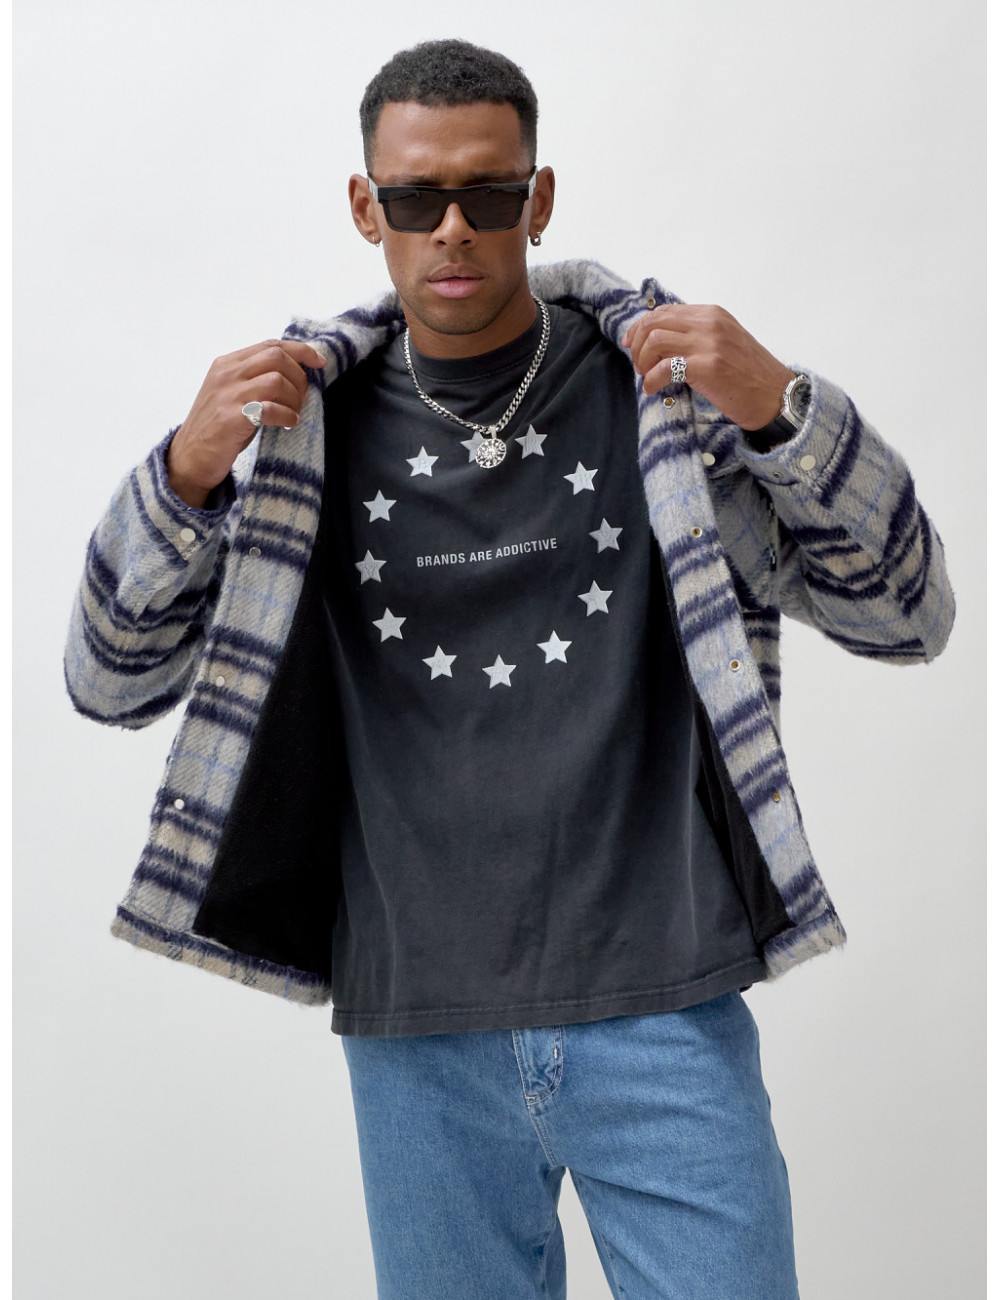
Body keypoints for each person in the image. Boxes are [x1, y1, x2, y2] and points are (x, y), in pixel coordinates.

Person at [64, 37, 954, 1300]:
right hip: (417, 1034)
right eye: (415, 198)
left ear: (537, 198)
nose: (453, 229)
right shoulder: (298, 434)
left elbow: (910, 613)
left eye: (487, 193)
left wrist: (781, 408)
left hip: (663, 998)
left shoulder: (664, 395)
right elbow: (106, 679)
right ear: (365, 206)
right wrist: (181, 477)